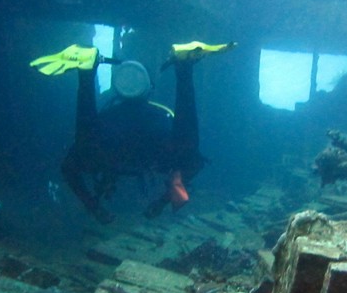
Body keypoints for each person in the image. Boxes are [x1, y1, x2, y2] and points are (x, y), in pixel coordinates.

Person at [31, 40, 234, 223]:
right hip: (156, 147)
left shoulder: (107, 114)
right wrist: (161, 202)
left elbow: (69, 168)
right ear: (149, 88)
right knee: (188, 151)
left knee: (86, 143)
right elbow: (193, 165)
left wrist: (94, 206)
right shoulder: (161, 114)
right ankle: (183, 69)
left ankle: (86, 74)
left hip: (110, 148)